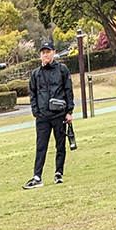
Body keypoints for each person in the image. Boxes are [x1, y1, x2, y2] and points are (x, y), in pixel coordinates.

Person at [24, 40, 74, 189]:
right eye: (43, 52)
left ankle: (59, 173)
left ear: (54, 52)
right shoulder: (36, 74)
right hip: (43, 116)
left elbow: (68, 90)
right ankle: (37, 176)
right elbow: (32, 93)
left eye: (48, 51)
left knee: (60, 145)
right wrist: (36, 111)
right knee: (41, 146)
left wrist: (69, 111)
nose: (45, 54)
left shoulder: (62, 70)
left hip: (59, 114)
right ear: (40, 55)